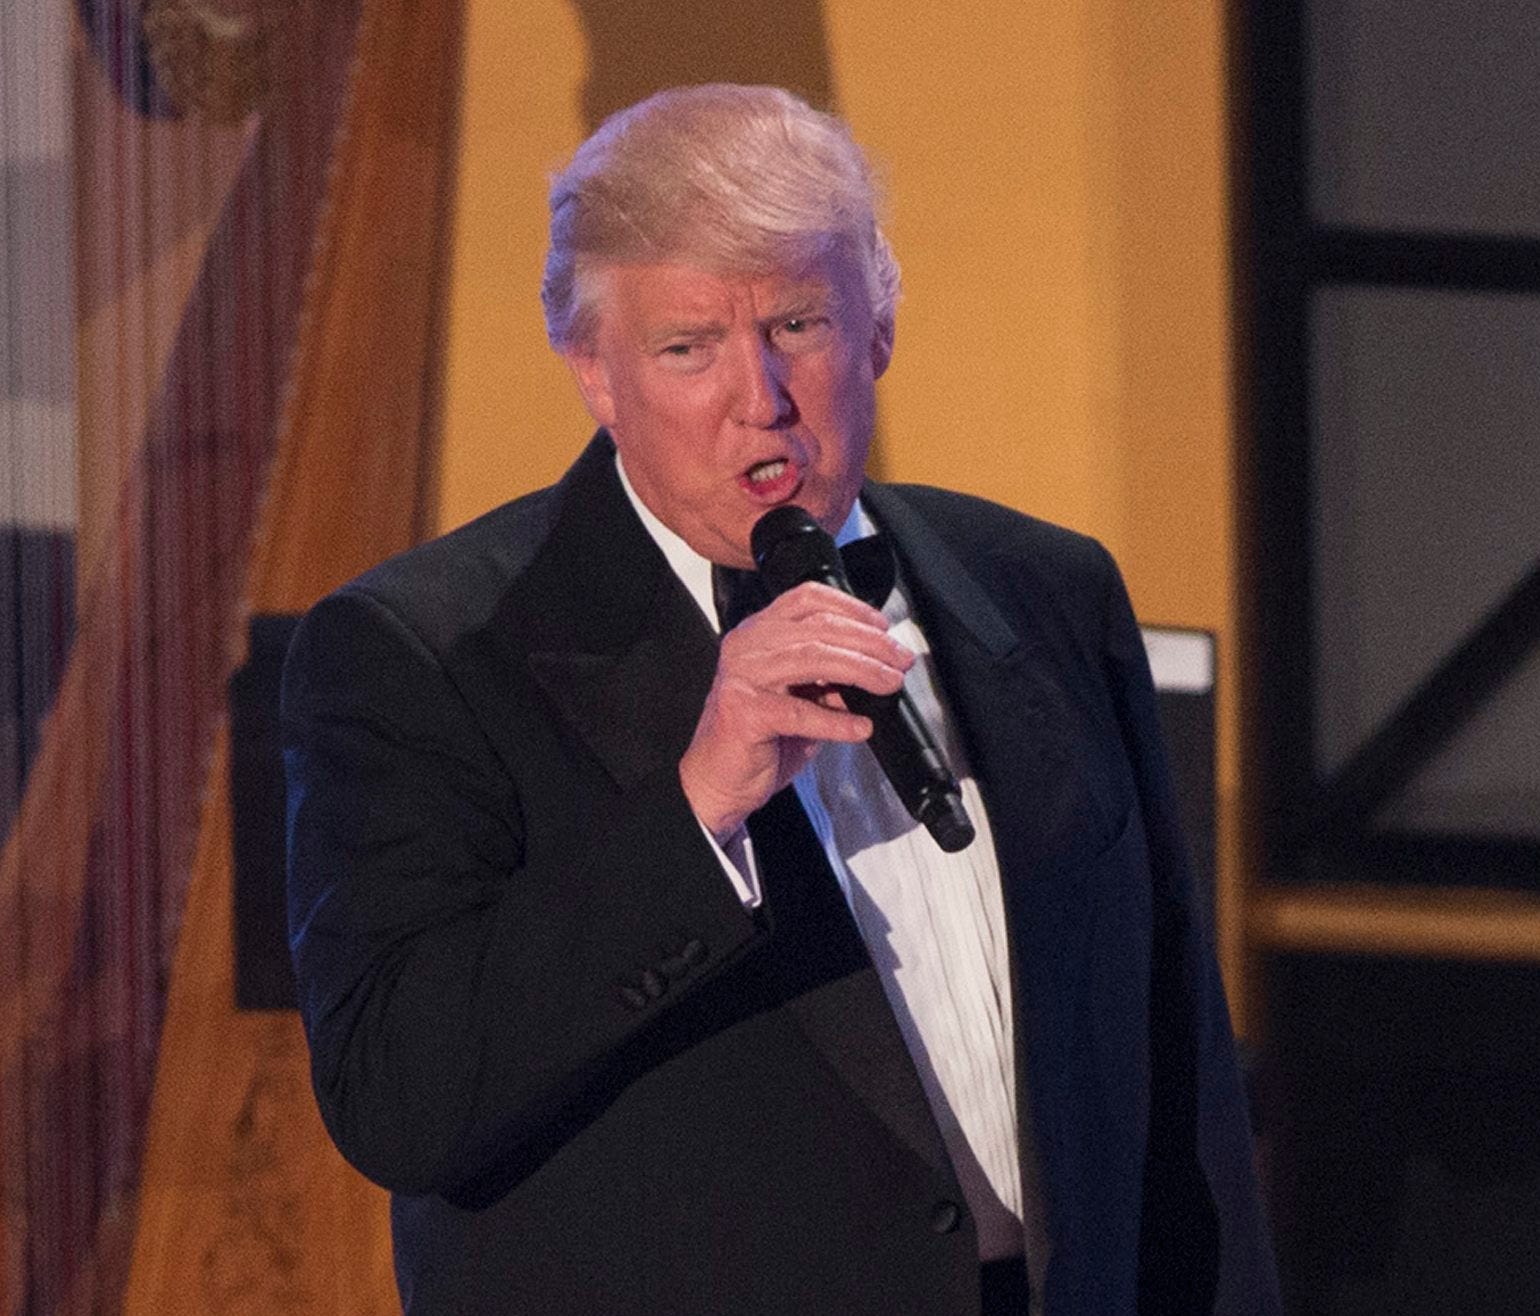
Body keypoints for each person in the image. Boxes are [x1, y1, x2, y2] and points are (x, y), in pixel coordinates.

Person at [283, 84, 1280, 1315]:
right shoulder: (423, 654)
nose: (760, 396)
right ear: (594, 370)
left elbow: (1178, 1075)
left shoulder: (1045, 589)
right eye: (688, 346)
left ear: (880, 326)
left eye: (798, 323)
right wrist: (697, 804)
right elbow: (398, 1099)